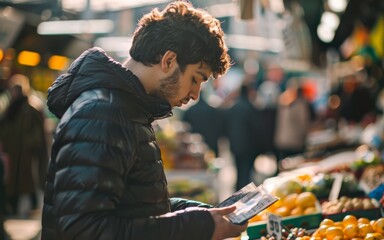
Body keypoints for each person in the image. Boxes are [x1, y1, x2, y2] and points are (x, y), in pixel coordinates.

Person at [41, 2, 247, 240]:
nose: (195, 94)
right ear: (169, 61)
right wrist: (195, 226)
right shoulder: (103, 113)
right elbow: (86, 230)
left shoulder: (127, 110)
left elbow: (135, 208)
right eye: (195, 79)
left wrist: (200, 214)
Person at [0, 74, 48, 217]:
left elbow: (38, 131)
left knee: (28, 181)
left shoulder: (31, 107)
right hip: (13, 152)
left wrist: (30, 143)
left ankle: (33, 208)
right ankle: (13, 209)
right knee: (13, 182)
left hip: (26, 153)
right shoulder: (10, 108)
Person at [225, 83, 261, 191]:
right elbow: (256, 128)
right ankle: (245, 194)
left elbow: (227, 127)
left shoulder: (234, 107)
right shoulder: (251, 107)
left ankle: (237, 192)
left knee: (238, 170)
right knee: (246, 172)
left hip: (235, 145)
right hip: (249, 146)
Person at [274, 84, 315, 161]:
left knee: (284, 164)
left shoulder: (282, 103)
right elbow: (304, 124)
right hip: (295, 142)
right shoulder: (300, 104)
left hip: (282, 141)